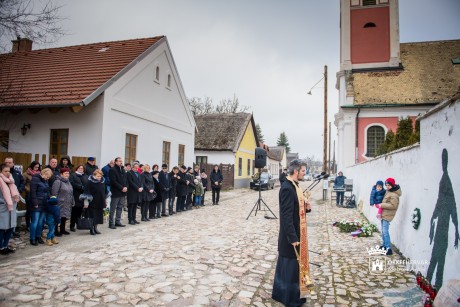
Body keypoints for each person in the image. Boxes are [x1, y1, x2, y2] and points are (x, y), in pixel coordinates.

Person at [272, 159, 311, 307]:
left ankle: (295, 296)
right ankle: (289, 299)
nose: (304, 173)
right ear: (295, 171)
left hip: (297, 233)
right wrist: (292, 237)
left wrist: (307, 207)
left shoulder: (295, 186)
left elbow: (297, 210)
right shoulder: (287, 188)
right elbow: (286, 216)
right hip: (290, 237)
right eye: (302, 171)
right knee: (289, 269)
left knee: (294, 269)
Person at [374, 177, 401, 256]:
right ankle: (384, 246)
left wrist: (381, 205)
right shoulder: (388, 192)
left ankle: (388, 249)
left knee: (385, 232)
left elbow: (393, 206)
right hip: (384, 213)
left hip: (388, 215)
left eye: (389, 185)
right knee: (383, 230)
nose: (387, 186)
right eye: (386, 185)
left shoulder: (394, 195)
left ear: (392, 185)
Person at [29, 168, 52, 246]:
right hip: (37, 204)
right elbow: (32, 192)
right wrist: (35, 203)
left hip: (44, 203)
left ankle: (38, 236)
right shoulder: (35, 179)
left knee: (41, 222)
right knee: (35, 221)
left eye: (48, 177)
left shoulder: (45, 180)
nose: (47, 178)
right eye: (47, 177)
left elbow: (47, 191)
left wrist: (50, 199)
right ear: (44, 173)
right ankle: (32, 238)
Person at [0, 163, 20, 255]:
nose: (7, 173)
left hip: (11, 207)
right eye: (5, 171)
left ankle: (5, 245)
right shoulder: (1, 181)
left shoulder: (11, 181)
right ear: (1, 171)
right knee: (1, 228)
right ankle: (1, 247)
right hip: (3, 208)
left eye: (8, 171)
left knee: (10, 228)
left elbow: (15, 192)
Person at [5, 157, 25, 238]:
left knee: (13, 215)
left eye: (10, 162)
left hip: (14, 198)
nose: (8, 164)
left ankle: (12, 231)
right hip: (4, 198)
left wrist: (19, 191)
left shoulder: (17, 173)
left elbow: (22, 182)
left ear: (13, 163)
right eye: (6, 162)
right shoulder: (2, 172)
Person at [51, 168, 74, 236]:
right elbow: (54, 193)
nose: (67, 175)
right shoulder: (58, 182)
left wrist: (73, 201)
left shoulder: (68, 182)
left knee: (64, 216)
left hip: (67, 202)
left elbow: (71, 192)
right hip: (60, 202)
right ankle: (55, 231)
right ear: (61, 174)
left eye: (68, 173)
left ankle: (62, 229)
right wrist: (55, 202)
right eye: (65, 173)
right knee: (58, 216)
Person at [84, 169, 108, 235]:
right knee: (92, 216)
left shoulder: (102, 182)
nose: (99, 178)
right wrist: (86, 202)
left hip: (100, 201)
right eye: (98, 176)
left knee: (98, 216)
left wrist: (105, 200)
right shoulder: (89, 182)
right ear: (94, 175)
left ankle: (96, 228)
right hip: (92, 202)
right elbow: (86, 193)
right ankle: (91, 229)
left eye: (100, 176)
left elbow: (105, 192)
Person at [108, 157, 128, 229]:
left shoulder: (122, 170)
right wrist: (121, 188)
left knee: (120, 207)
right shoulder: (112, 170)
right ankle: (111, 223)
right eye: (119, 161)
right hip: (116, 192)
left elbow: (125, 180)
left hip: (123, 192)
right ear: (115, 162)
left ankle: (117, 221)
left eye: (121, 161)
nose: (121, 162)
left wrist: (125, 187)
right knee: (113, 208)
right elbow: (113, 181)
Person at [69, 165, 89, 232]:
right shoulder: (73, 175)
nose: (81, 169)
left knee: (80, 211)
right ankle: (72, 225)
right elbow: (72, 183)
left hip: (83, 196)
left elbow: (88, 184)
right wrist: (80, 187)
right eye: (79, 168)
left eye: (82, 168)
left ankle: (78, 224)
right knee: (74, 211)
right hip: (75, 195)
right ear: (77, 168)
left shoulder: (86, 176)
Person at [23, 161, 41, 231]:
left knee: (36, 210)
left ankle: (34, 224)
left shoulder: (39, 174)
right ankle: (28, 225)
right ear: (32, 166)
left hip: (37, 194)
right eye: (35, 167)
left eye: (38, 167)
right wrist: (29, 190)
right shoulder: (26, 174)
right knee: (29, 210)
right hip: (29, 194)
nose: (37, 168)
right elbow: (23, 184)